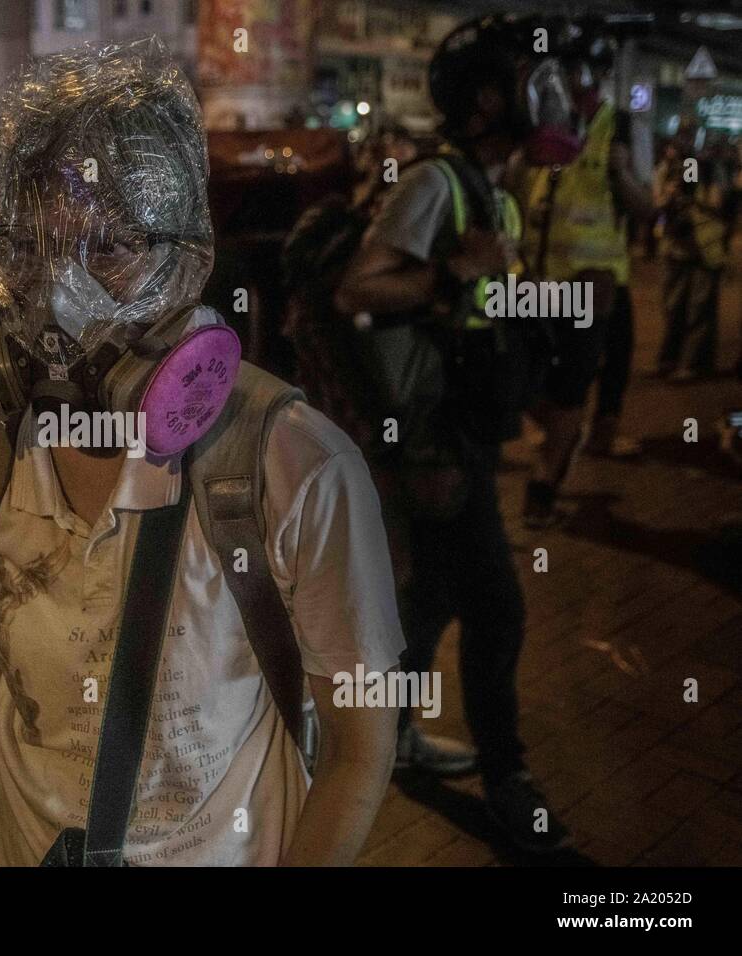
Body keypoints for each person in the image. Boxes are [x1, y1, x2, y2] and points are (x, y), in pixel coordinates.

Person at [0, 38, 404, 867]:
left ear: (190, 259)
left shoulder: (295, 467)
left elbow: (358, 747)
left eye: (108, 248)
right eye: (30, 249)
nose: (60, 298)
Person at [336, 15, 575, 853]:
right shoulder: (439, 183)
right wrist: (451, 273)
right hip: (429, 434)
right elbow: (357, 287)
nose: (550, 93)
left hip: (461, 428)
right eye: (529, 78)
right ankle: (508, 780)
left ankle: (389, 736)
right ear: (485, 98)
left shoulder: (493, 187)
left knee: (434, 596)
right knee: (499, 608)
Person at [512, 27, 653, 523]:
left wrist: (621, 173)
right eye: (563, 70)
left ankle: (543, 485)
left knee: (572, 386)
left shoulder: (621, 129)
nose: (571, 81)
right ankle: (562, 438)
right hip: (532, 283)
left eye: (578, 71)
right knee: (518, 382)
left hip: (592, 287)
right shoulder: (541, 126)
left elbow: (646, 210)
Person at [656, 131, 736, 382]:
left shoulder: (704, 168)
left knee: (698, 309)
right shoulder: (679, 167)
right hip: (686, 246)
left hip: (705, 247)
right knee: (677, 306)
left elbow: (710, 202)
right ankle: (671, 360)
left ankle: (694, 364)